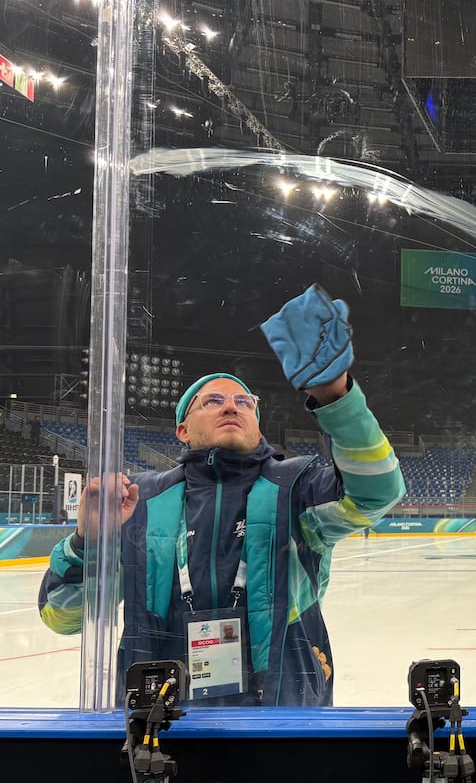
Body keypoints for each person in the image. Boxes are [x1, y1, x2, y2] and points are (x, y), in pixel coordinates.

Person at [38, 288, 405, 706]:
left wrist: (335, 397)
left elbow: (378, 493)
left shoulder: (296, 488)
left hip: (281, 717)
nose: (231, 406)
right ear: (182, 429)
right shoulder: (139, 501)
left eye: (244, 401)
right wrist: (88, 542)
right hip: (163, 721)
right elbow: (61, 616)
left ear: (258, 425)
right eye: (212, 400)